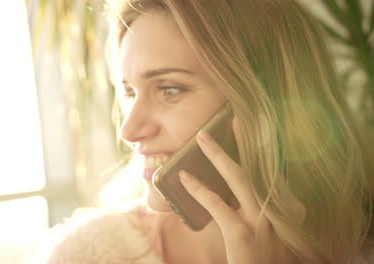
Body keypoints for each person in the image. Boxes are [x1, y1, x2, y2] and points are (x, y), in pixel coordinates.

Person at [41, 0, 374, 263]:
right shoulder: (86, 256)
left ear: (267, 106)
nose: (130, 130)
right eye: (129, 92)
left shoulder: (358, 250)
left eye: (169, 89)